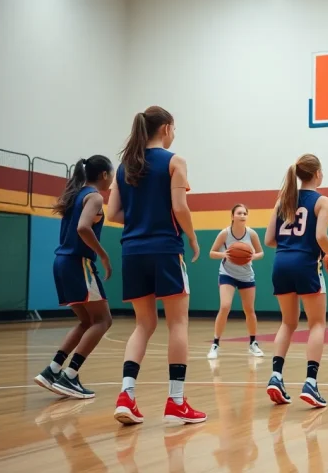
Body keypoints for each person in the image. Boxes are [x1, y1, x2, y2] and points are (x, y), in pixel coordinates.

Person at [108, 106, 206, 425]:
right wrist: (191, 237)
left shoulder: (125, 166)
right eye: (174, 129)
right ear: (165, 128)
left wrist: (141, 217)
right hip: (165, 249)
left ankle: (126, 395)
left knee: (143, 325)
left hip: (132, 251)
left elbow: (112, 214)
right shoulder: (175, 160)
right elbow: (180, 207)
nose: (174, 134)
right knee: (177, 324)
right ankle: (176, 402)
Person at [264, 154, 328, 408]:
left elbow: (268, 240)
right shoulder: (323, 201)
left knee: (288, 322)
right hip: (306, 263)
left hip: (281, 262)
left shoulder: (283, 200)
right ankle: (310, 382)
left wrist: (290, 247)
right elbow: (321, 236)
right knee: (317, 323)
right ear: (318, 173)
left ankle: (276, 377)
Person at [34, 155, 114, 399]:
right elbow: (82, 227)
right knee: (103, 320)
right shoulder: (95, 196)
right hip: (78, 262)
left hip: (62, 262)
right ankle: (70, 375)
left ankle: (52, 370)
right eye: (112, 174)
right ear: (104, 175)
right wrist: (103, 255)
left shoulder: (75, 194)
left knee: (87, 321)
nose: (112, 179)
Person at [207, 203, 265, 359]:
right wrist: (224, 254)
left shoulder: (251, 234)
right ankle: (215, 344)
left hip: (246, 275)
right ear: (232, 216)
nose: (242, 215)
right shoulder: (225, 234)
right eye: (239, 213)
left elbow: (261, 253)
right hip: (227, 273)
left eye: (245, 213)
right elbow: (211, 253)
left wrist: (252, 256)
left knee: (249, 310)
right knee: (225, 306)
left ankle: (253, 343)